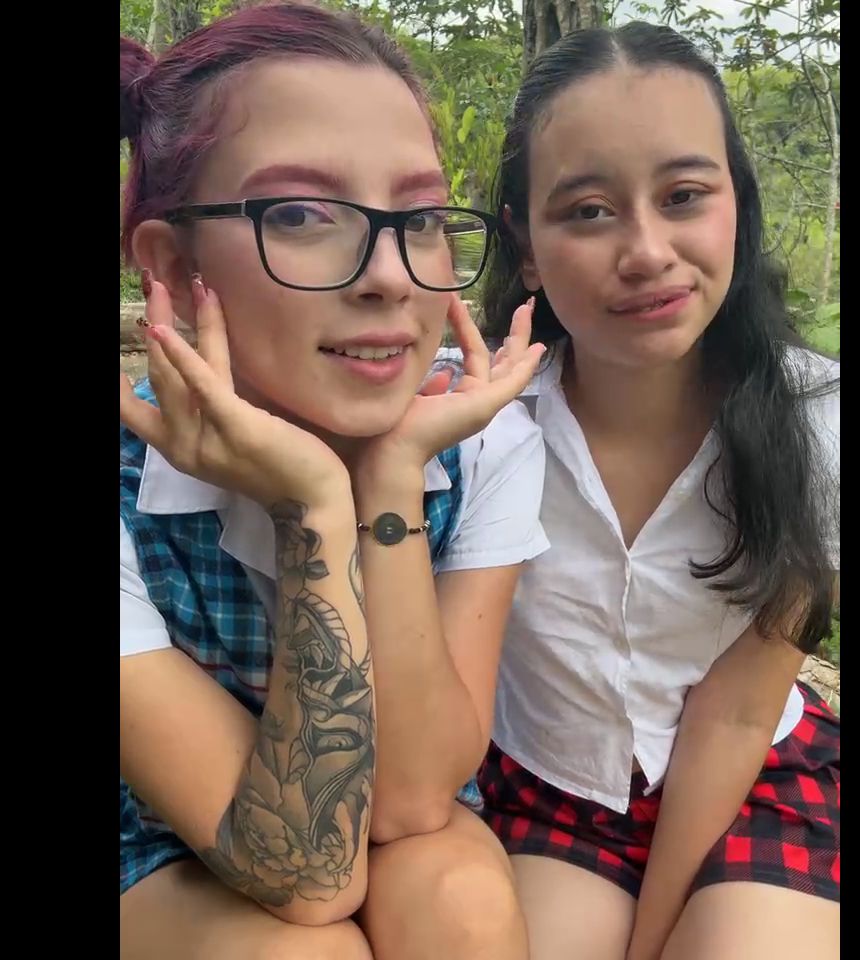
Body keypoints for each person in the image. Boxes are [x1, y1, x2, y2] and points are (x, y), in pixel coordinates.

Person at [118, 5, 548, 958]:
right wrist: (313, 503)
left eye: (421, 219)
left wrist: (388, 484)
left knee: (460, 903)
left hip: (394, 817)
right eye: (302, 214)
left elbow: (411, 801)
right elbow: (309, 876)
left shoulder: (479, 445)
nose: (390, 276)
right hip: (158, 844)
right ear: (173, 266)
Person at [478, 21, 840, 960]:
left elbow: (738, 711)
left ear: (736, 207)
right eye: (588, 210)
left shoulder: (821, 424)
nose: (645, 251)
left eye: (683, 196)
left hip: (752, 775)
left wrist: (651, 942)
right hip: (552, 782)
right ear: (525, 244)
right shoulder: (477, 423)